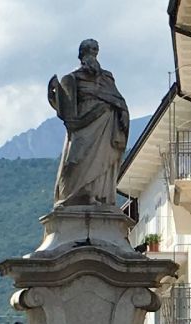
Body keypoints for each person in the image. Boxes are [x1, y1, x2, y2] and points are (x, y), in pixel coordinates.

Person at [48, 39, 129, 207]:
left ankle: (94, 195)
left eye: (96, 50)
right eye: (90, 50)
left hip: (105, 122)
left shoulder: (106, 77)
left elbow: (118, 98)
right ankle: (67, 196)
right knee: (74, 160)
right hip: (82, 124)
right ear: (82, 54)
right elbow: (66, 109)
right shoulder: (72, 78)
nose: (93, 54)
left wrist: (122, 112)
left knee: (101, 159)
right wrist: (54, 95)